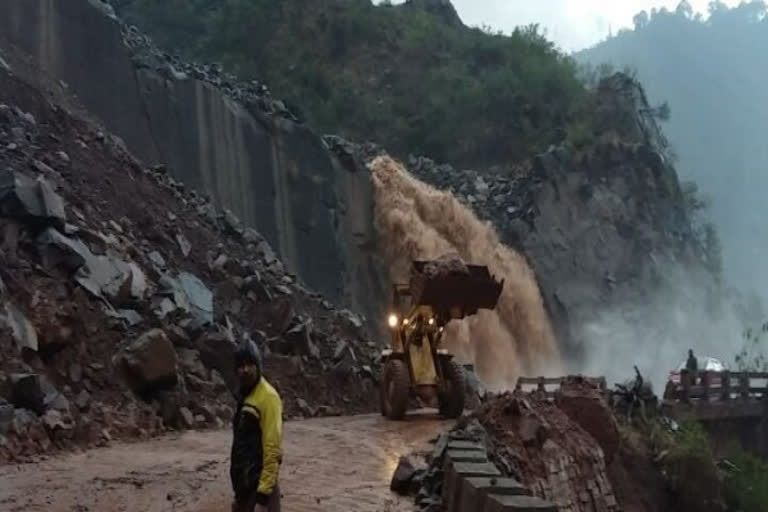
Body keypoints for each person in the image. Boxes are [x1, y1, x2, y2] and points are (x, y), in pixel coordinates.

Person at [230, 340, 283, 512]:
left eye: (250, 364)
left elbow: (272, 449)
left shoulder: (268, 397)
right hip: (245, 489)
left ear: (258, 365)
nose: (245, 370)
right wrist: (238, 496)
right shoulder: (246, 396)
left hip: (260, 490)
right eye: (241, 365)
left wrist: (263, 498)